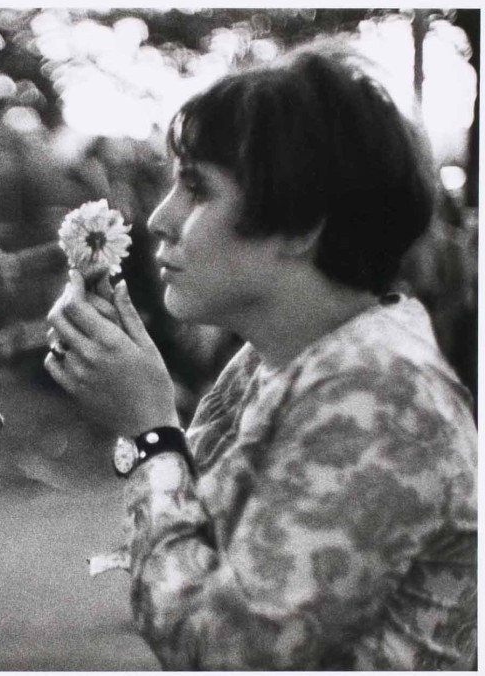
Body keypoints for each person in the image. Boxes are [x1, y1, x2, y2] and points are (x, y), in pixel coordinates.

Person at [44, 44, 476, 670]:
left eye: (196, 188)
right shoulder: (275, 361)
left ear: (302, 224)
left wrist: (148, 435)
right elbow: (197, 548)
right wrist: (142, 417)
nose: (161, 219)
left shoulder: (379, 391)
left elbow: (227, 652)